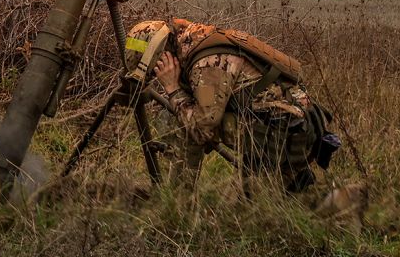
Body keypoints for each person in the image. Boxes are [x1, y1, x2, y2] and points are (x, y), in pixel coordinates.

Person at [123, 18, 343, 194]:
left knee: (188, 121)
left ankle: (179, 199)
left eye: (154, 70)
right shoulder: (196, 41)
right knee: (184, 114)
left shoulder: (207, 64)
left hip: (286, 134)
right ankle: (179, 196)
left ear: (163, 56)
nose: (156, 77)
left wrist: (172, 89)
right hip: (284, 126)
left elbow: (202, 130)